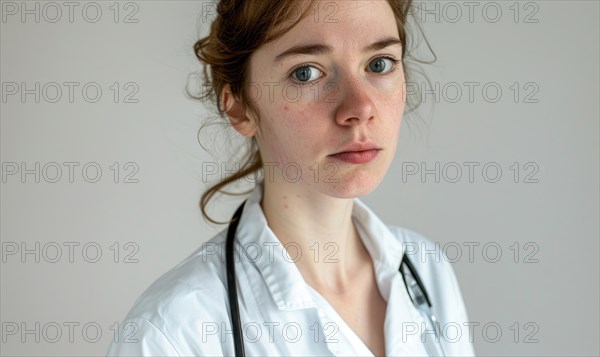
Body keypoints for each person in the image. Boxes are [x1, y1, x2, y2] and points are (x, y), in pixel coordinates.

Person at [108, 0, 475, 355]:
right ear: (239, 105)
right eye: (306, 72)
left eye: (379, 64)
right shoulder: (173, 332)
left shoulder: (427, 269)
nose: (360, 108)